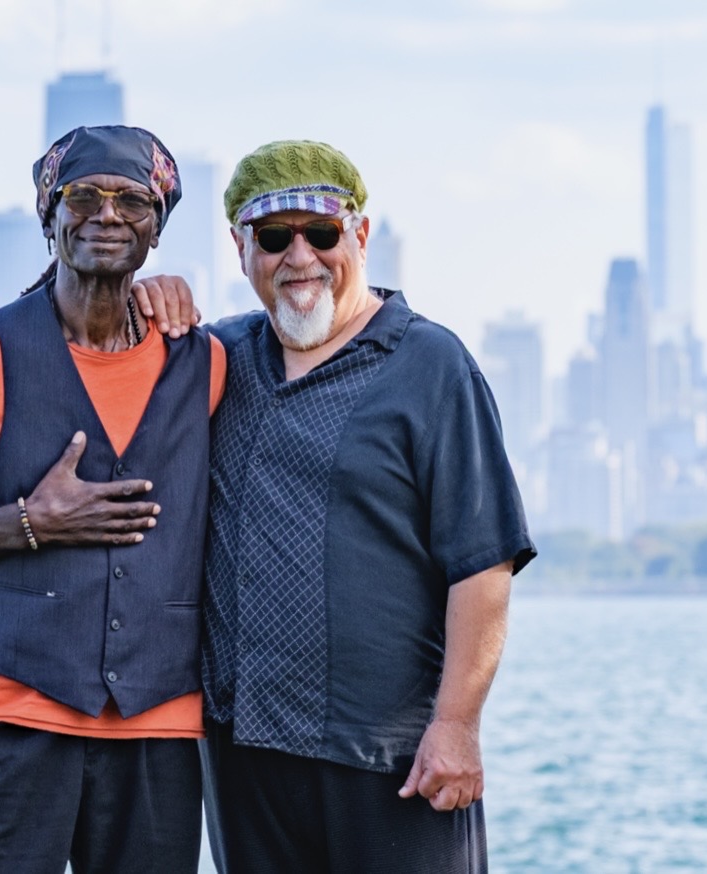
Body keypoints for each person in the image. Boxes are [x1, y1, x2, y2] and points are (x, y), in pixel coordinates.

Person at [0, 124, 225, 874]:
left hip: (159, 735)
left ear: (159, 230)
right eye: (82, 196)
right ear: (48, 215)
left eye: (133, 202)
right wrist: (29, 522)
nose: (107, 215)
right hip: (2, 720)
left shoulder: (209, 362)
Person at [196, 140, 537, 872]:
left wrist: (457, 725)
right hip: (243, 754)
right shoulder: (216, 361)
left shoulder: (431, 365)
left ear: (360, 234)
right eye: (272, 237)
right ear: (239, 247)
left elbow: (484, 565)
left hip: (394, 761)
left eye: (321, 233)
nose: (301, 257)